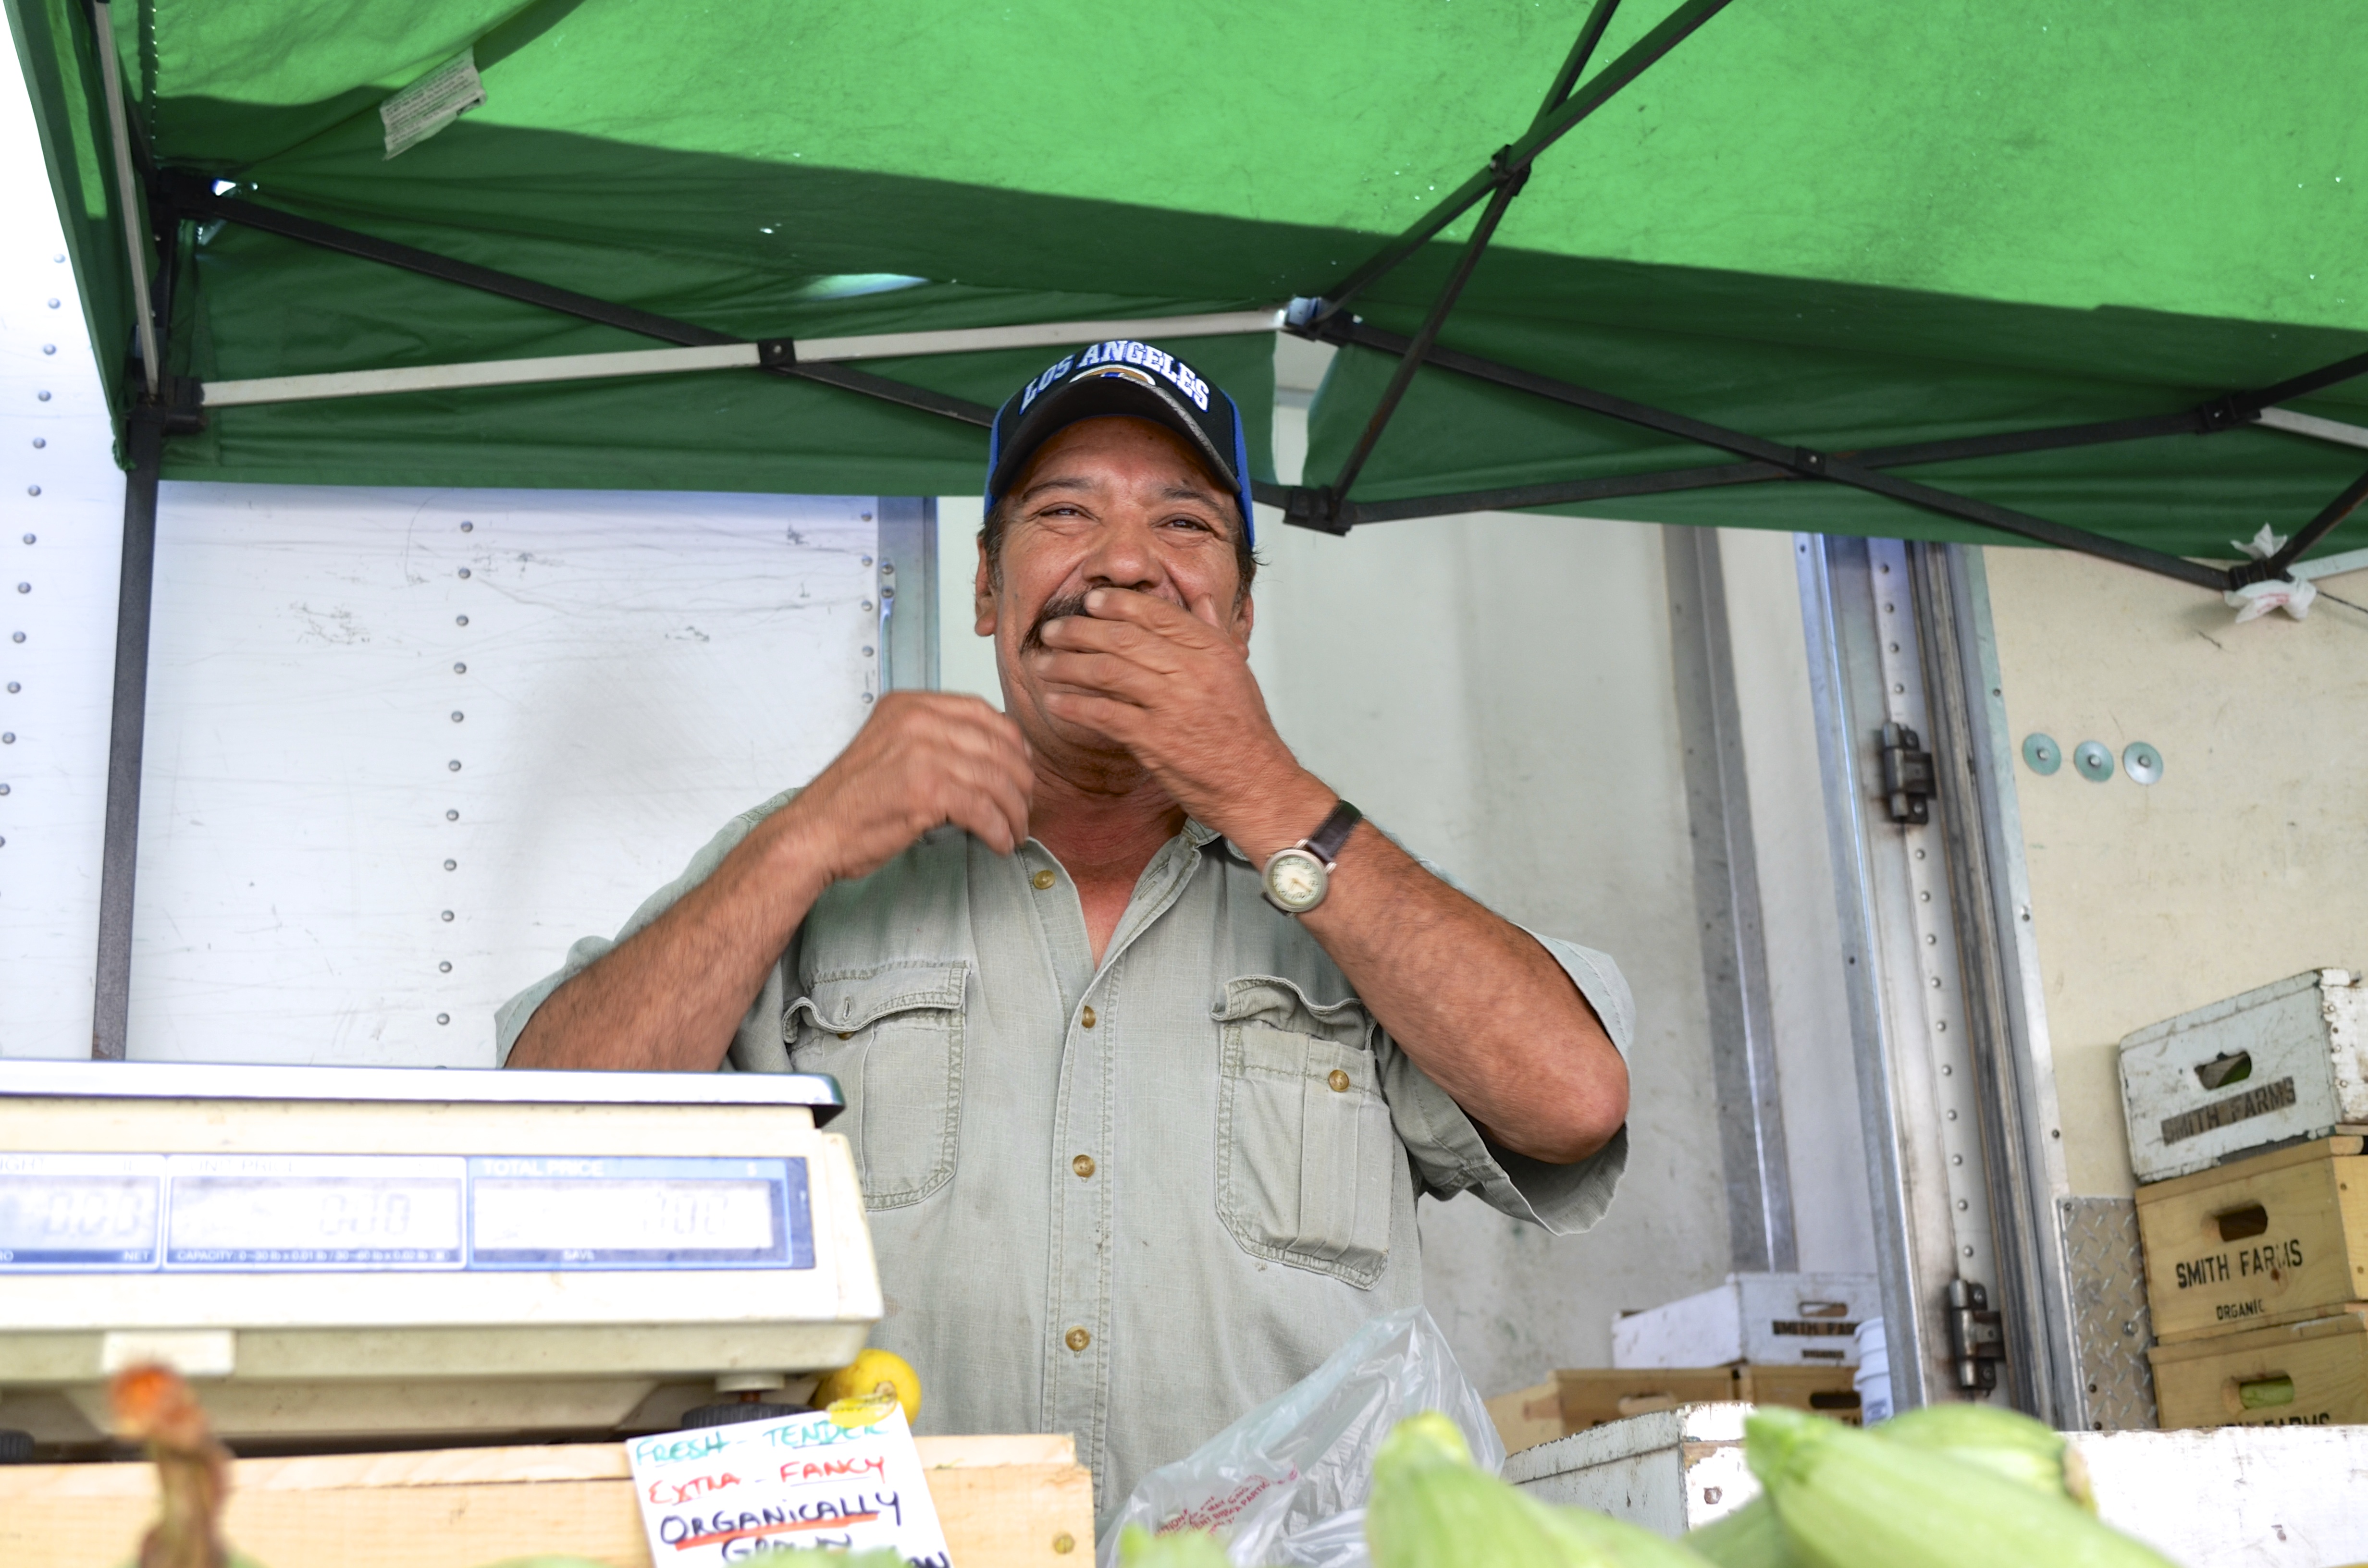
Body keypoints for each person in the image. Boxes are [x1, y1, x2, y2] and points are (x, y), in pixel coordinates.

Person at [499, 340, 1633, 1516]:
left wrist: (1262, 789)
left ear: (1241, 615)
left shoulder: (1348, 886)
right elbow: (536, 1143)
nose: (1125, 564)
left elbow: (1572, 1101)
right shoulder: (810, 864)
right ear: (986, 590)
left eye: (1184, 524)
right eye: (1065, 512)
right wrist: (796, 844)